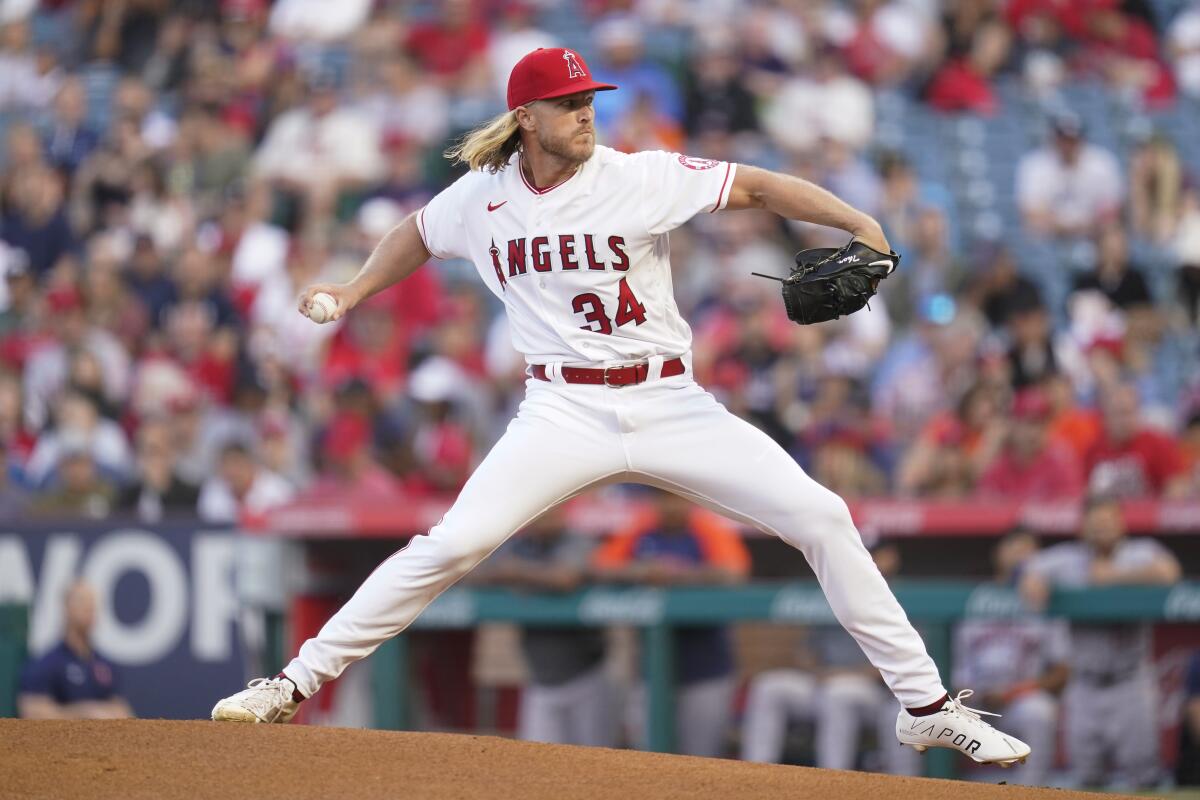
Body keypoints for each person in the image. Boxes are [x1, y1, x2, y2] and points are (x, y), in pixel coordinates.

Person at [211, 46, 1031, 768]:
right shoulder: (482, 197)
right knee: (452, 544)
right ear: (525, 116)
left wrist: (858, 219)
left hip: (670, 400)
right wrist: (354, 290)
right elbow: (418, 234)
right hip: (560, 411)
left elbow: (759, 188)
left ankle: (926, 709)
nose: (585, 114)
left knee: (822, 517)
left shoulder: (639, 176)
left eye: (589, 100)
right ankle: (292, 682)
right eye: (569, 104)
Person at [1021, 495, 1182, 789]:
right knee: (1086, 776)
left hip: (1130, 680)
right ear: (1083, 527)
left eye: (1108, 522)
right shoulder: (1067, 558)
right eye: (1095, 524)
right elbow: (1030, 570)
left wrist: (1116, 577)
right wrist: (1033, 580)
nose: (1102, 529)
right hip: (1084, 683)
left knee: (1143, 775)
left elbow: (1168, 572)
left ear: (1121, 524)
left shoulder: (1141, 552)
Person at [739, 541, 920, 775]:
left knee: (839, 692)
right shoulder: (835, 591)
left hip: (877, 694)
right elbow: (806, 650)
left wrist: (842, 675)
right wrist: (814, 669)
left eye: (874, 554)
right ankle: (756, 775)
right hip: (823, 683)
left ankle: (833, 780)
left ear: (890, 558)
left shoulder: (905, 596)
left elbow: (904, 664)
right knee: (769, 686)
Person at [592, 490, 749, 757]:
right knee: (647, 757)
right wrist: (642, 571)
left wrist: (678, 573)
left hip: (705, 667)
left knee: (701, 759)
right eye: (664, 499)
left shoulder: (705, 528)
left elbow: (734, 572)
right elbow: (599, 567)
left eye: (677, 498)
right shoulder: (643, 528)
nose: (671, 506)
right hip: (650, 669)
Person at [472, 507, 614, 748]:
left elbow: (565, 578)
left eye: (553, 513)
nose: (547, 520)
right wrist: (526, 575)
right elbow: (475, 574)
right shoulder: (521, 545)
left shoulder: (578, 541)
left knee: (596, 761)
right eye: (541, 514)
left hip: (587, 675)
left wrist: (518, 573)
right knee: (537, 763)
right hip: (539, 680)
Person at [953, 529, 1070, 786]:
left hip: (1023, 698)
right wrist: (976, 696)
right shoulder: (977, 599)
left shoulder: (1046, 601)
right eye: (1013, 548)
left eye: (1027, 550)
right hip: (978, 700)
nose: (1020, 556)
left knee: (1039, 711)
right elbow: (959, 673)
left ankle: (1031, 791)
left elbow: (1061, 672)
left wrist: (1013, 692)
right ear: (998, 553)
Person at [17, 580, 134, 719]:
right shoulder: (45, 664)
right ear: (66, 608)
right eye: (82, 603)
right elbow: (31, 711)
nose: (89, 610)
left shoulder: (106, 666)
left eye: (93, 605)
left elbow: (123, 713)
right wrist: (84, 714)